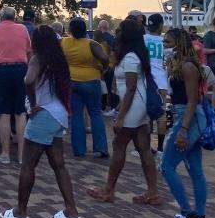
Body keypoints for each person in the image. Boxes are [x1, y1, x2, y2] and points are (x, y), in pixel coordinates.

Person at [0, 25, 80, 218]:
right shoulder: (58, 60)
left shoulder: (38, 59)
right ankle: (71, 210)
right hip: (58, 114)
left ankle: (20, 210)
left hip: (43, 114)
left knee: (28, 164)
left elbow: (28, 80)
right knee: (58, 164)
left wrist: (33, 104)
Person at [87, 20, 161, 205]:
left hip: (134, 105)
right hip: (138, 104)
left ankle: (108, 190)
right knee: (143, 148)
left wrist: (120, 116)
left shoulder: (130, 58)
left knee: (119, 144)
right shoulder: (137, 55)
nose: (117, 33)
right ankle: (153, 192)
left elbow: (130, 88)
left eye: (119, 31)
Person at [161, 28, 210, 218]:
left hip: (188, 117)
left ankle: (187, 213)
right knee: (195, 170)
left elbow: (192, 100)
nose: (165, 45)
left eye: (168, 41)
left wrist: (183, 130)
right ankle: (199, 217)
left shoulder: (188, 66)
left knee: (167, 166)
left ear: (178, 43)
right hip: (190, 116)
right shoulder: (183, 65)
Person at [0, 6, 30, 164]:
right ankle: (21, 155)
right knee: (20, 111)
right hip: (20, 69)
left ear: (1, 17)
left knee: (4, 112)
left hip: (1, 69)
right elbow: (28, 50)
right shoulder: (23, 29)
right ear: (15, 17)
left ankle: (5, 153)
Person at [61, 17, 108, 158]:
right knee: (95, 113)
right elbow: (105, 58)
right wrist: (102, 69)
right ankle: (101, 147)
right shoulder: (92, 44)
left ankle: (79, 149)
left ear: (70, 30)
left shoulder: (64, 42)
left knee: (76, 115)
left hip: (72, 81)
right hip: (91, 80)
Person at [145, 13, 169, 159]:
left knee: (147, 115)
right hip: (161, 80)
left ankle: (147, 147)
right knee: (162, 114)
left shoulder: (142, 39)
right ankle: (160, 147)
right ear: (160, 25)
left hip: (147, 80)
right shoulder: (164, 41)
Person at [96, 20, 118, 117]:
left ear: (100, 27)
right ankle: (111, 107)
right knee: (110, 87)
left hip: (100, 67)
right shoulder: (111, 38)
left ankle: (102, 106)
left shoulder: (96, 39)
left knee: (101, 86)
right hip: (110, 66)